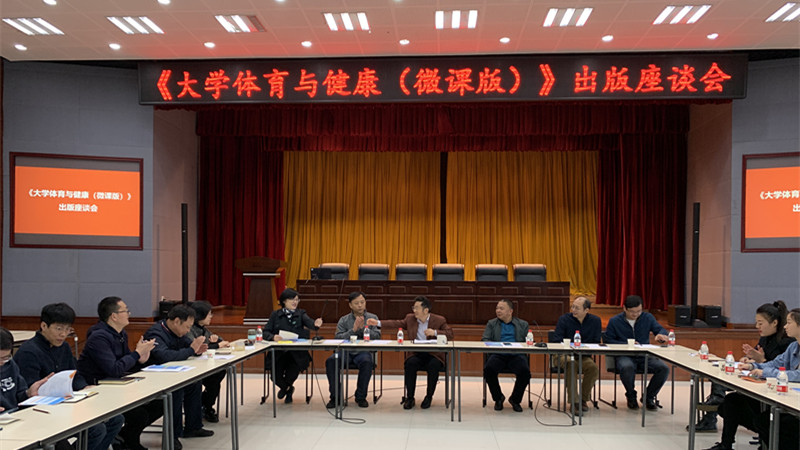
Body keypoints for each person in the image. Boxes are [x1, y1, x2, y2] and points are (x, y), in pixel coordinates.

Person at [14, 303, 124, 450]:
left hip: (65, 404)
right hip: (43, 411)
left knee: (115, 420)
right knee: (96, 430)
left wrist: (85, 387)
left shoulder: (64, 347)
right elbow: (29, 391)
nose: (63, 334)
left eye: (67, 329)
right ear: (44, 326)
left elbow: (74, 375)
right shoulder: (29, 352)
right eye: (59, 329)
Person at [705, 307, 800, 450]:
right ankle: (726, 446)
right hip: (782, 396)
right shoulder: (793, 347)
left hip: (793, 403)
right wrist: (752, 366)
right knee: (732, 401)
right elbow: (775, 363)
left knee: (765, 421)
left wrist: (764, 372)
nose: (785, 326)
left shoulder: (785, 342)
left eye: (789, 323)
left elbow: (796, 375)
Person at [77, 296, 163, 450]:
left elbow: (125, 364)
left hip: (116, 386)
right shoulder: (98, 337)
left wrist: (141, 359)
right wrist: (136, 354)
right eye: (125, 311)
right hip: (98, 389)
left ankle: (125, 439)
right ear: (114, 316)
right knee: (138, 414)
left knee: (159, 403)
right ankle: (126, 441)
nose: (129, 314)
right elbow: (114, 369)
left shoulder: (121, 334)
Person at [144, 304, 214, 445]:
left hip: (171, 374)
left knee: (194, 383)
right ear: (176, 321)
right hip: (153, 377)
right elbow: (165, 356)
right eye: (187, 327)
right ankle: (172, 436)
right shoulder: (156, 333)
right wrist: (191, 350)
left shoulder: (178, 333)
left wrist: (197, 349)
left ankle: (193, 427)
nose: (188, 331)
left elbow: (189, 346)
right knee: (176, 390)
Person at [369, 296, 453, 410]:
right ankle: (410, 397)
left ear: (426, 310)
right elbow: (395, 323)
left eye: (417, 308)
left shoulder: (439, 320)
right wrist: (377, 323)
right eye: (414, 307)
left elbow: (450, 334)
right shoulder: (410, 318)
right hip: (416, 353)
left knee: (433, 365)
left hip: (433, 354)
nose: (414, 310)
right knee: (410, 364)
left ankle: (428, 397)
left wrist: (435, 332)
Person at [603, 294, 670, 410]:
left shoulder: (647, 317)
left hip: (644, 355)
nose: (635, 314)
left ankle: (649, 397)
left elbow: (659, 329)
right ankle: (631, 396)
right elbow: (608, 340)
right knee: (627, 367)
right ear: (624, 308)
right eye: (632, 312)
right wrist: (626, 344)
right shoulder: (615, 321)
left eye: (639, 311)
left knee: (663, 368)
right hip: (624, 355)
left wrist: (661, 334)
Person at [262, 288, 322, 404]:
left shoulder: (301, 314)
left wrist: (315, 324)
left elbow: (310, 323)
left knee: (291, 374)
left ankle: (287, 388)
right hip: (279, 352)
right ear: (284, 301)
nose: (295, 302)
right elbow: (266, 332)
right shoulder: (275, 315)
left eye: (297, 300)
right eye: (292, 299)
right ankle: (288, 389)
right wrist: (273, 337)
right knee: (275, 377)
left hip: (296, 353)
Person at [325, 291, 380, 409]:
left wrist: (363, 329)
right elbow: (337, 337)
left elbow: (377, 336)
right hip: (345, 351)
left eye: (362, 302)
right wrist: (353, 330)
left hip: (363, 351)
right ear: (350, 305)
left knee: (367, 362)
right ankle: (336, 397)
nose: (360, 305)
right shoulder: (344, 320)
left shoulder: (373, 318)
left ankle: (360, 397)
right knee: (331, 361)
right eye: (356, 303)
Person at [551, 296, 601, 412]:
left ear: (586, 310)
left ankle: (583, 399)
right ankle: (574, 402)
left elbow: (596, 341)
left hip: (583, 356)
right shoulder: (564, 319)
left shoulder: (595, 321)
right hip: (563, 354)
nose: (573, 310)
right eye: (572, 307)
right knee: (571, 363)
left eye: (577, 308)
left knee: (593, 368)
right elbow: (557, 340)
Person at [481, 299, 531, 412]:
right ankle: (498, 398)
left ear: (510, 311)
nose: (498, 311)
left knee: (525, 372)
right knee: (488, 370)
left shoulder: (523, 324)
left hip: (516, 355)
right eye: (497, 308)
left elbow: (528, 342)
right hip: (498, 354)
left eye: (501, 308)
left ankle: (515, 400)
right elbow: (485, 339)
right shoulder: (491, 323)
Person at [187, 300, 229, 422]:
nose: (211, 316)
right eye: (209, 314)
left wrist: (216, 341)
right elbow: (196, 348)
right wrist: (216, 345)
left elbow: (219, 339)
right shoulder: (189, 329)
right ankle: (204, 406)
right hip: (191, 366)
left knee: (218, 373)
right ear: (200, 315)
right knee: (213, 379)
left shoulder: (203, 329)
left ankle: (206, 405)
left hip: (202, 364)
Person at [0, 327, 53, 411]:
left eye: (5, 357)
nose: (1, 362)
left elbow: (20, 396)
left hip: (13, 414)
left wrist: (28, 393)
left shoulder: (10, 365)